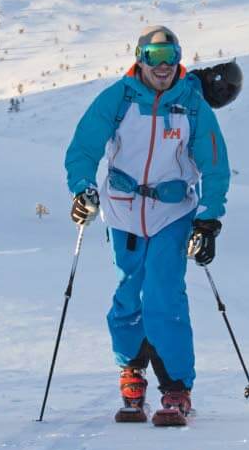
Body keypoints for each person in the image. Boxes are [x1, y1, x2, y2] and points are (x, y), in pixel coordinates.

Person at [64, 27, 231, 427]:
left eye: (169, 55)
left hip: (172, 213)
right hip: (122, 212)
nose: (162, 65)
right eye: (153, 55)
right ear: (139, 57)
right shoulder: (118, 99)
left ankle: (175, 387)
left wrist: (208, 219)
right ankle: (131, 372)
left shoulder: (192, 106)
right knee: (127, 293)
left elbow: (215, 164)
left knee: (163, 293)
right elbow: (83, 149)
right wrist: (83, 190)